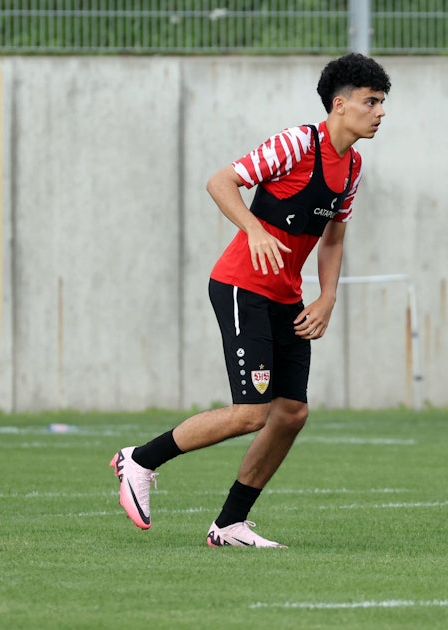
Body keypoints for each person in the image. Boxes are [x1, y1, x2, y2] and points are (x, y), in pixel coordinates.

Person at [110, 53, 391, 548]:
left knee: (291, 413)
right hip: (242, 286)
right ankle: (139, 459)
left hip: (287, 297)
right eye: (371, 102)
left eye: (382, 103)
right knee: (250, 412)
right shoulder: (296, 144)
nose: (380, 112)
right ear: (340, 104)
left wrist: (327, 297)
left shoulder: (353, 168)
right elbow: (221, 182)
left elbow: (333, 239)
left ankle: (229, 525)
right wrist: (254, 230)